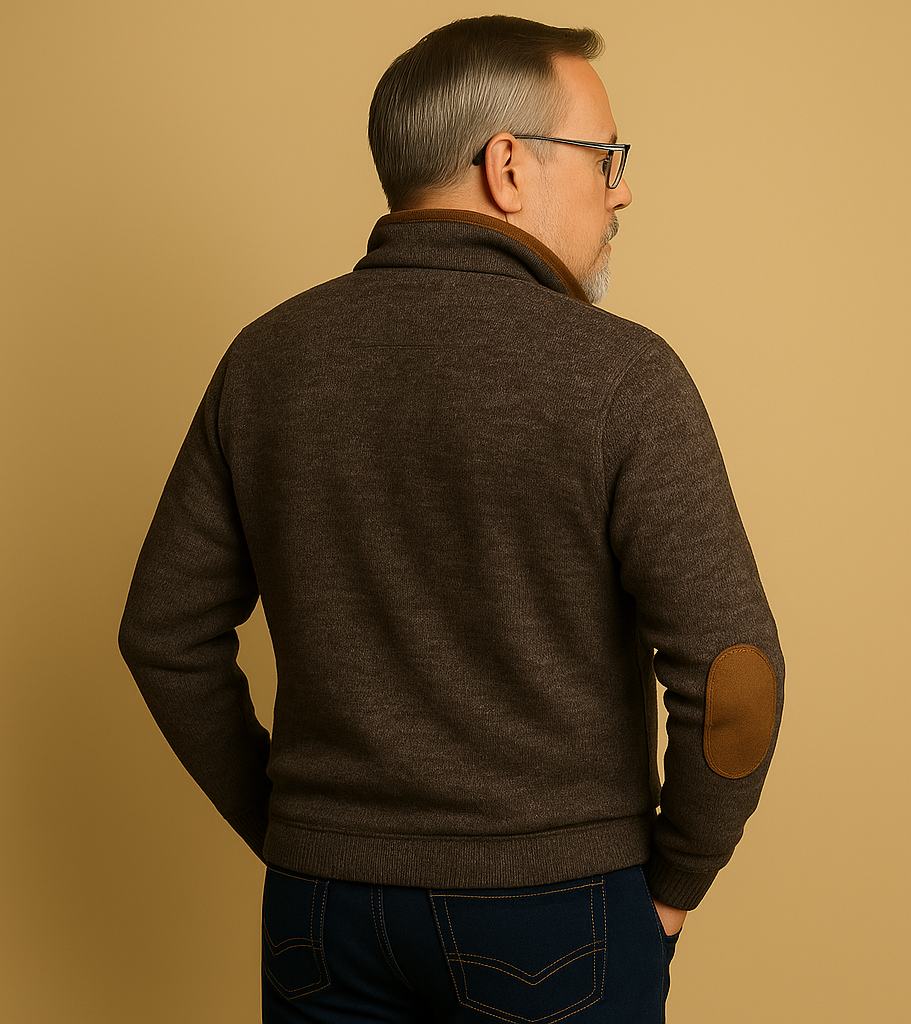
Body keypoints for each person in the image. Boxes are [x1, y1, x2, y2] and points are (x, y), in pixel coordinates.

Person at [119, 15, 783, 1023]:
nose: (621, 190)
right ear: (507, 167)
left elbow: (161, 634)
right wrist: (676, 885)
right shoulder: (622, 375)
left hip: (319, 911)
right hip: (559, 912)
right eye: (603, 157)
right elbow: (735, 676)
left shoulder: (265, 361)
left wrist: (298, 828)